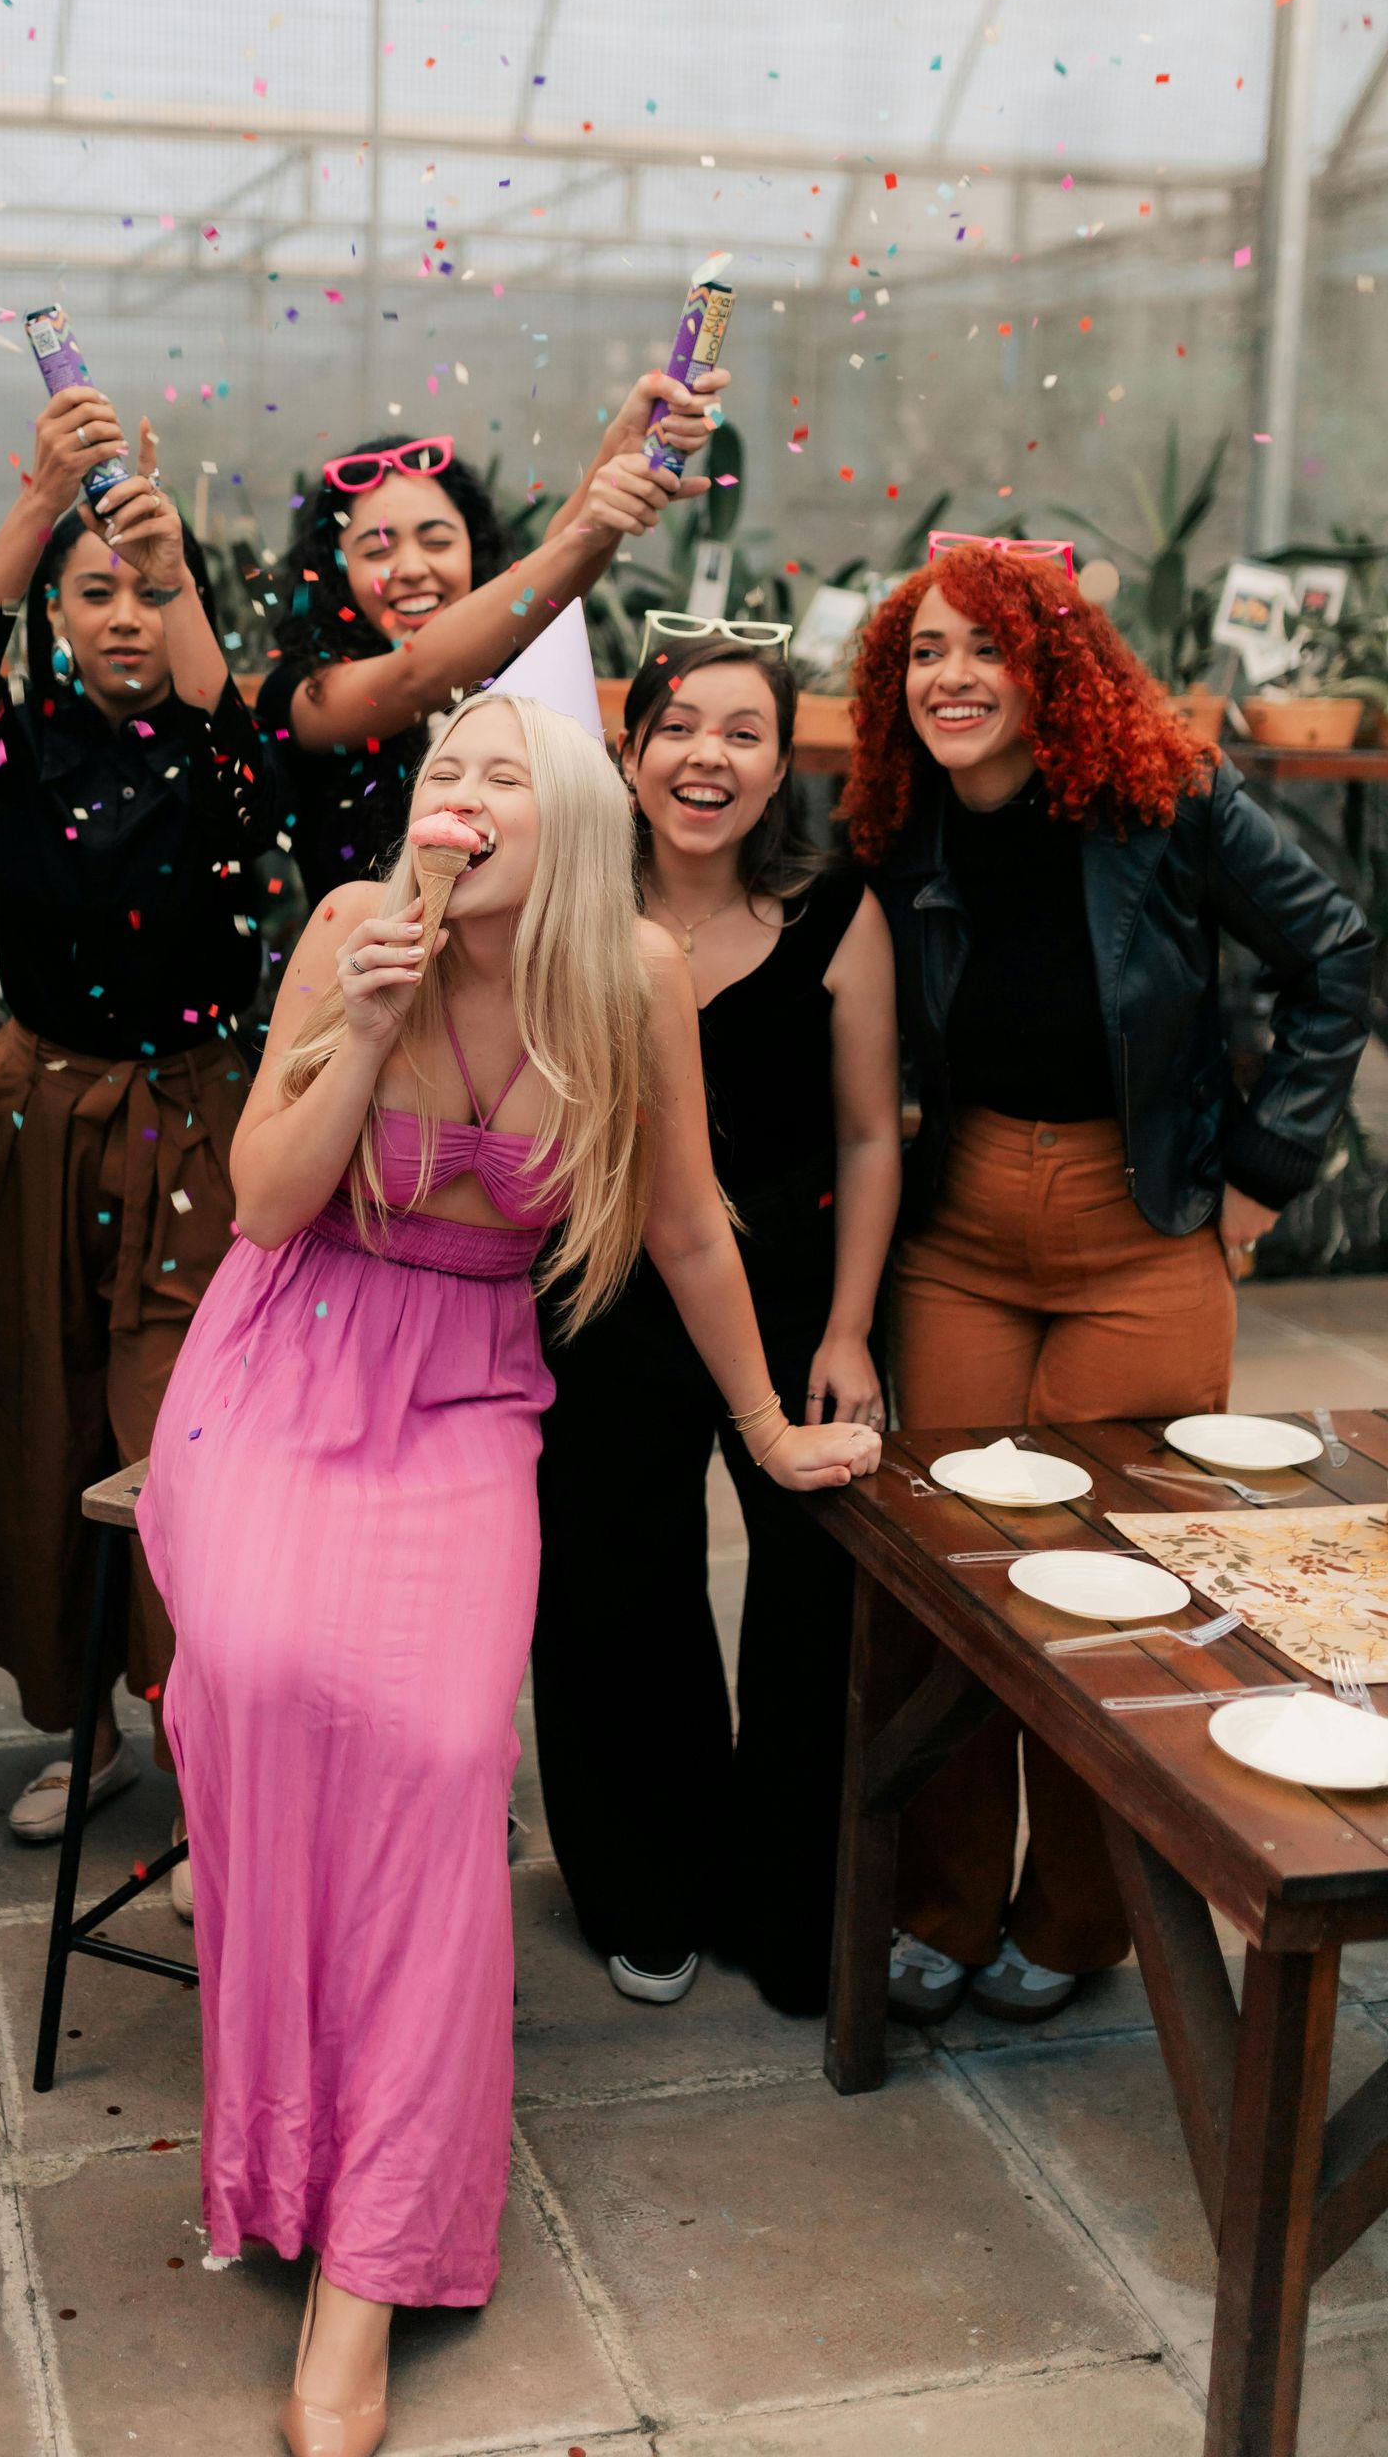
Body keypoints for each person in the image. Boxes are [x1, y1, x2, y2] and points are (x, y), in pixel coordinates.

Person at [136, 685, 880, 2457]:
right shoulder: (346, 932)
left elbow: (689, 1223)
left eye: (495, 778)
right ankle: (284, 2126)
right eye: (438, 771)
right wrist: (355, 1030)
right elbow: (260, 1202)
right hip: (291, 1349)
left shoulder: (625, 979)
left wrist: (769, 1430)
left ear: (567, 823)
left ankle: (370, 2260)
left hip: (468, 1385)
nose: (454, 797)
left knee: (448, 1751)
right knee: (243, 1665)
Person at [842, 539, 1373, 2024]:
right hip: (957, 1234)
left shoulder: (1169, 804)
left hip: (1142, 1229)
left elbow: (1336, 951)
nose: (951, 680)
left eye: (985, 650)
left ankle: (1081, 1921)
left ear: (1052, 668)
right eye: (925, 653)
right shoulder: (898, 824)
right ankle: (940, 1907)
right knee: (957, 1579)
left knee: (1116, 1593)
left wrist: (1268, 1172)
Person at [0, 386, 278, 1873]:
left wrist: (175, 564)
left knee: (179, 1437)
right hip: (38, 1117)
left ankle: (207, 1729)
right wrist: (39, 496)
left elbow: (244, 757)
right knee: (41, 1418)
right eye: (97, 591)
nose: (126, 616)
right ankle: (90, 1730)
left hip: (193, 1128)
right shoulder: (18, 753)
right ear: (56, 610)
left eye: (150, 592)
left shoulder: (218, 763)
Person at [533, 627, 900, 2016]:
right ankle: (645, 1888)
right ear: (628, 756)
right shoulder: (567, 910)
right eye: (679, 728)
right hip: (610, 1296)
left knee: (817, 1602)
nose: (708, 758)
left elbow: (871, 1136)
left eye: (744, 733)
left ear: (782, 762)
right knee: (617, 1597)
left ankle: (794, 1902)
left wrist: (853, 1325)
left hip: (798, 1292)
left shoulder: (835, 910)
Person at [256, 365, 722, 904]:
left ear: (474, 548)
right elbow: (416, 674)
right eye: (377, 550)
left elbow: (554, 588)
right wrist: (591, 521)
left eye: (437, 541)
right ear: (336, 574)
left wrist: (614, 459)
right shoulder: (301, 690)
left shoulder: (514, 666)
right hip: (366, 976)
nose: (411, 567)